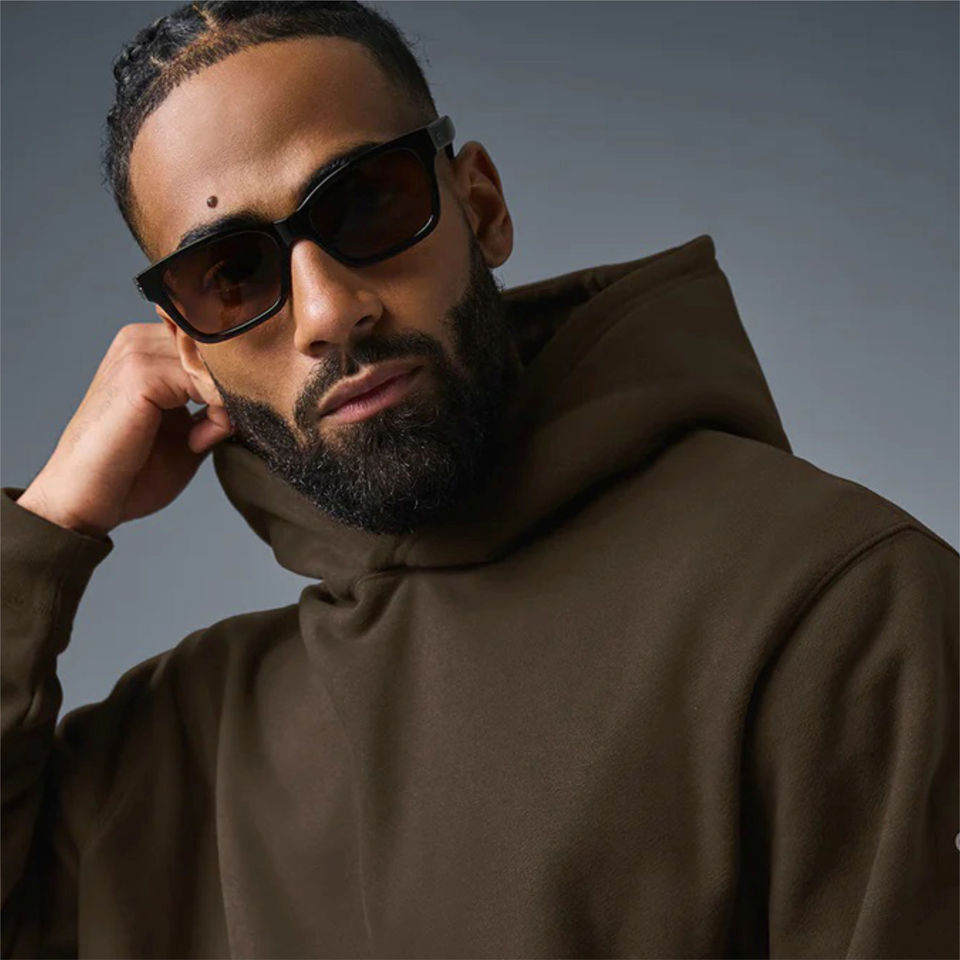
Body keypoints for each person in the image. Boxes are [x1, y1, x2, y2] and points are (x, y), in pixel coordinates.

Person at [2, 2, 957, 957]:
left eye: (365, 204)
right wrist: (50, 524)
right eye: (233, 275)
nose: (327, 312)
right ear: (188, 347)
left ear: (482, 208)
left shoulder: (836, 600)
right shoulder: (180, 746)